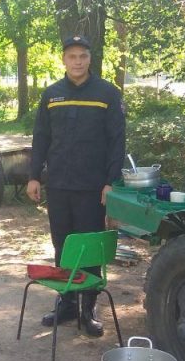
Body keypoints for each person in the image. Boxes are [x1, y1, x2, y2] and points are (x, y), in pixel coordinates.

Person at [26, 35, 126, 336]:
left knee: (89, 246)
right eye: (72, 56)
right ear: (63, 60)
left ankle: (88, 307)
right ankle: (67, 302)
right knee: (63, 243)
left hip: (92, 187)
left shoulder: (107, 93)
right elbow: (41, 137)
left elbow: (116, 141)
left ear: (89, 59)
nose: (77, 62)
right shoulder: (52, 94)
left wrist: (111, 182)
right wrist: (34, 175)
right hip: (58, 184)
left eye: (83, 56)